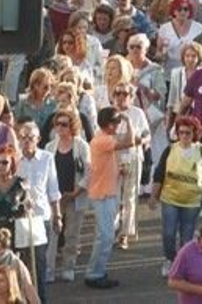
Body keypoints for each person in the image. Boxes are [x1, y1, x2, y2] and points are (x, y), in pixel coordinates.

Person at [153, 114, 202, 277]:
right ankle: (169, 259)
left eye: (188, 133)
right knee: (168, 232)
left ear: (194, 133)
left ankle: (183, 265)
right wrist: (154, 196)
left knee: (187, 237)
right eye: (181, 132)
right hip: (170, 199)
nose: (184, 136)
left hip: (192, 202)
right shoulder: (170, 150)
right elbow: (159, 174)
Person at [85, 106, 135, 289]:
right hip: (103, 194)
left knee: (104, 235)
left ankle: (97, 271)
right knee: (105, 237)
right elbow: (131, 141)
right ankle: (94, 273)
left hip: (107, 192)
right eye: (116, 122)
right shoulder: (103, 140)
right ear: (109, 124)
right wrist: (129, 121)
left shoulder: (102, 139)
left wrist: (117, 171)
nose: (118, 125)